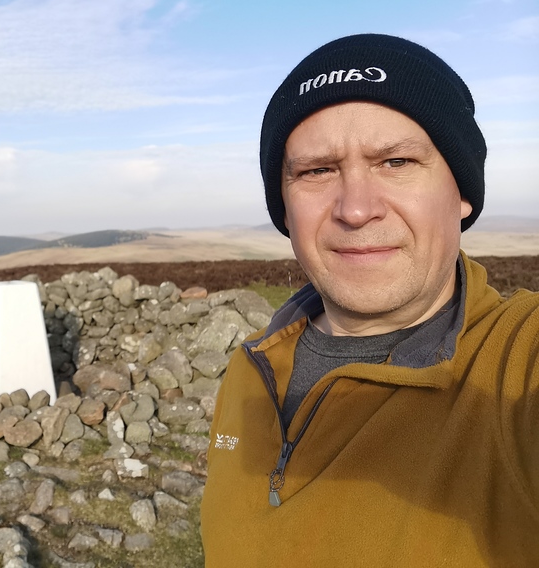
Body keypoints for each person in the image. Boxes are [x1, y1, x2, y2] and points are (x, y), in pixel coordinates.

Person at [201, 33, 539, 567]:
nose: (355, 209)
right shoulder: (254, 363)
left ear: (463, 192)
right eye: (317, 171)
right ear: (285, 210)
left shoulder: (514, 366)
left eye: (397, 162)